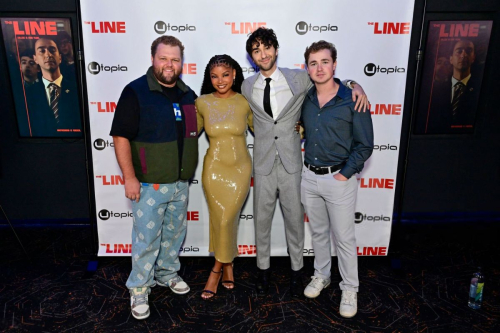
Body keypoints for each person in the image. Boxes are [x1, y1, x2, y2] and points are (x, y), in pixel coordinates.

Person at [241, 27, 369, 299]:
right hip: (263, 164)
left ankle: (299, 271)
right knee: (261, 223)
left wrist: (355, 84)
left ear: (276, 49)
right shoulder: (246, 85)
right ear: (252, 56)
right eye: (256, 50)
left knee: (296, 223)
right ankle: (263, 270)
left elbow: (332, 82)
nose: (263, 54)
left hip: (293, 164)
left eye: (267, 48)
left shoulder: (299, 79)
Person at [110, 36, 198, 320]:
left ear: (181, 62)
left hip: (180, 183)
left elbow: (194, 133)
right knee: (146, 238)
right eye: (164, 58)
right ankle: (139, 287)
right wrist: (129, 177)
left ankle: (167, 273)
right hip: (148, 184)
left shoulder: (188, 95)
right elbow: (121, 136)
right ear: (153, 59)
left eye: (175, 59)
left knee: (174, 235)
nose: (169, 64)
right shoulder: (135, 91)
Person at [300, 40, 373, 318]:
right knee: (318, 233)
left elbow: (365, 145)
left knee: (343, 238)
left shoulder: (353, 98)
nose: (320, 68)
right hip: (309, 177)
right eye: (314, 63)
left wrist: (345, 174)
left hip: (339, 178)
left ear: (335, 64)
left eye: (325, 61)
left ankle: (350, 288)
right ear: (307, 68)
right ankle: (322, 275)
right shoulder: (306, 97)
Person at [195, 55, 253, 299]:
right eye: (214, 76)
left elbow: (265, 129)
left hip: (240, 169)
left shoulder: (245, 102)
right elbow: (187, 132)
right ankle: (227, 265)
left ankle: (216, 270)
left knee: (227, 218)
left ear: (235, 75)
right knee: (220, 219)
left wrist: (295, 128)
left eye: (225, 75)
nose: (220, 81)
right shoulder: (202, 103)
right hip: (214, 169)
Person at [26, 37, 81, 137]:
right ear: (35, 59)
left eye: (52, 50)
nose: (48, 54)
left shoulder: (77, 89)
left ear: (60, 57)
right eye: (42, 51)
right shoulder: (29, 94)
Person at [426, 39, 480, 134]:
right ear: (451, 59)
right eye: (459, 51)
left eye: (468, 51)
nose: (463, 55)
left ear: (473, 57)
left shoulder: (480, 88)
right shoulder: (436, 90)